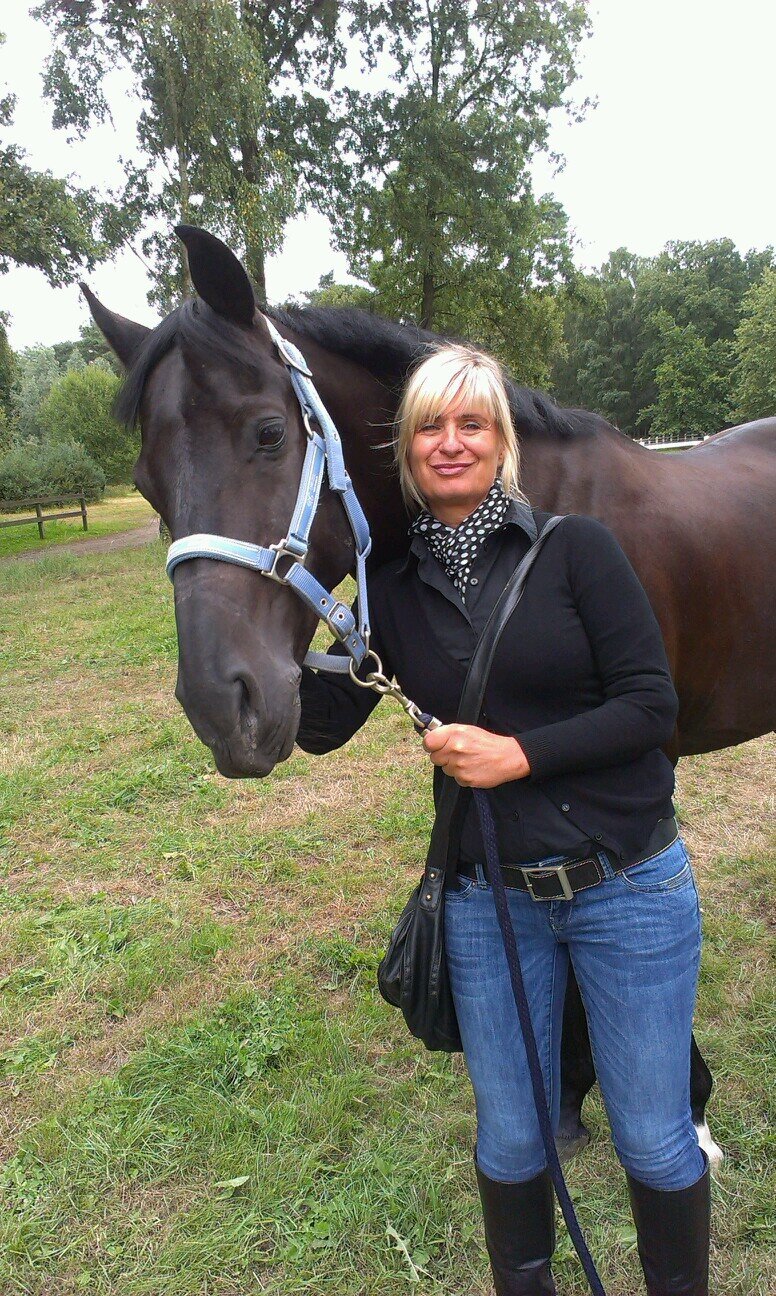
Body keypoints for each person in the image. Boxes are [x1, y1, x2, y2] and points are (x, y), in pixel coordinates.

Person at [296, 344, 710, 1296]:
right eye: (429, 427)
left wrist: (519, 754)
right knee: (513, 1138)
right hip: (489, 903)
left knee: (652, 1137)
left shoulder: (577, 551)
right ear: (405, 449)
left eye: (471, 424)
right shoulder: (389, 587)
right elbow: (319, 725)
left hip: (627, 889)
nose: (450, 443)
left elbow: (651, 706)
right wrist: (261, 607)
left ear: (501, 443)